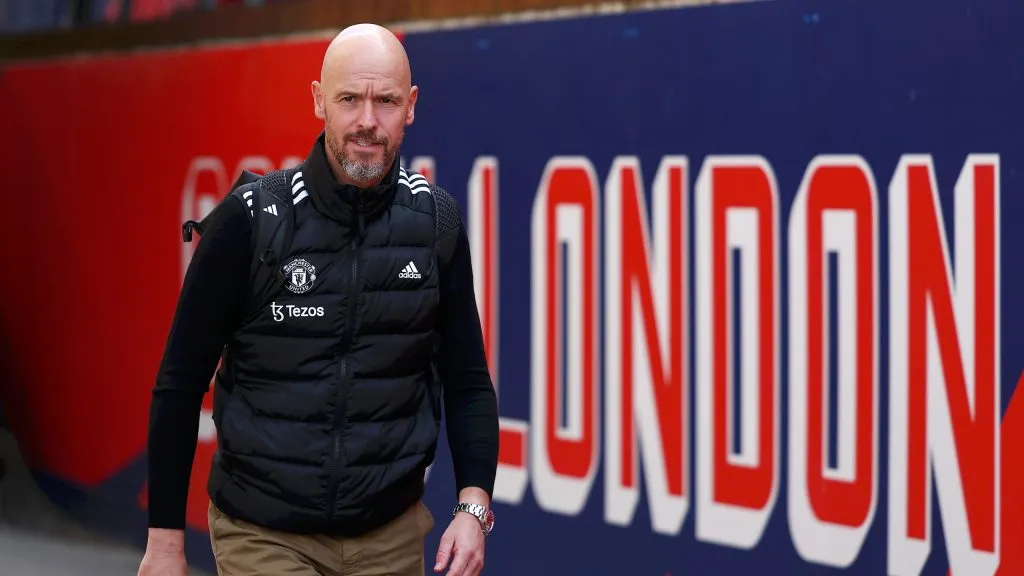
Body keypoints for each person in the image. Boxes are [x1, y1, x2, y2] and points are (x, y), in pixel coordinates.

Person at [137, 23, 499, 576]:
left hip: (389, 536)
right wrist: (164, 545)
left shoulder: (436, 224)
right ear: (318, 102)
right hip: (263, 534)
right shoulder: (250, 221)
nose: (367, 123)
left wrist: (473, 507)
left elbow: (468, 380)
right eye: (349, 100)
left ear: (412, 107)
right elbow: (180, 383)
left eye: (386, 101)